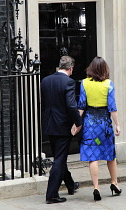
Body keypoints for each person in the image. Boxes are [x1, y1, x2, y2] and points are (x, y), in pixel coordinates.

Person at [77, 56, 122, 201]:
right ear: (104, 69)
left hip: (90, 124)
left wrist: (77, 123)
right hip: (104, 124)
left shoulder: (84, 83)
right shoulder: (109, 84)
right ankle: (114, 183)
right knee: (110, 154)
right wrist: (117, 125)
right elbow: (112, 108)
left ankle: (96, 187)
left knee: (92, 156)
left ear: (91, 69)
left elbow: (81, 106)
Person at [41, 56, 82, 204]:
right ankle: (51, 195)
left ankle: (70, 185)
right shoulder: (69, 82)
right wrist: (78, 122)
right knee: (59, 159)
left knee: (59, 157)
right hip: (62, 125)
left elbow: (45, 103)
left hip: (49, 124)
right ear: (70, 68)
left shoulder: (45, 80)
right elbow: (71, 106)